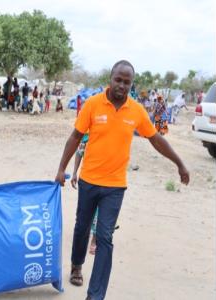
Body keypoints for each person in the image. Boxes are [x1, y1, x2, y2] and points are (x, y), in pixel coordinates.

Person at [54, 60, 189, 300]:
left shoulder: (136, 111)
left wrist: (179, 163)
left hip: (115, 186)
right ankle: (76, 265)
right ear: (110, 78)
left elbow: (156, 139)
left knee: (105, 236)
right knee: (82, 227)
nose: (122, 86)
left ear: (131, 84)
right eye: (119, 80)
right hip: (89, 181)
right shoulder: (93, 104)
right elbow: (75, 137)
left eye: (127, 82)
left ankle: (95, 295)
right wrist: (61, 169)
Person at [70, 133, 98, 256]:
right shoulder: (86, 137)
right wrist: (75, 172)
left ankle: (94, 240)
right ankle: (84, 236)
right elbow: (79, 153)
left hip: (107, 182)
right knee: (84, 212)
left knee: (100, 211)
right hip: (87, 181)